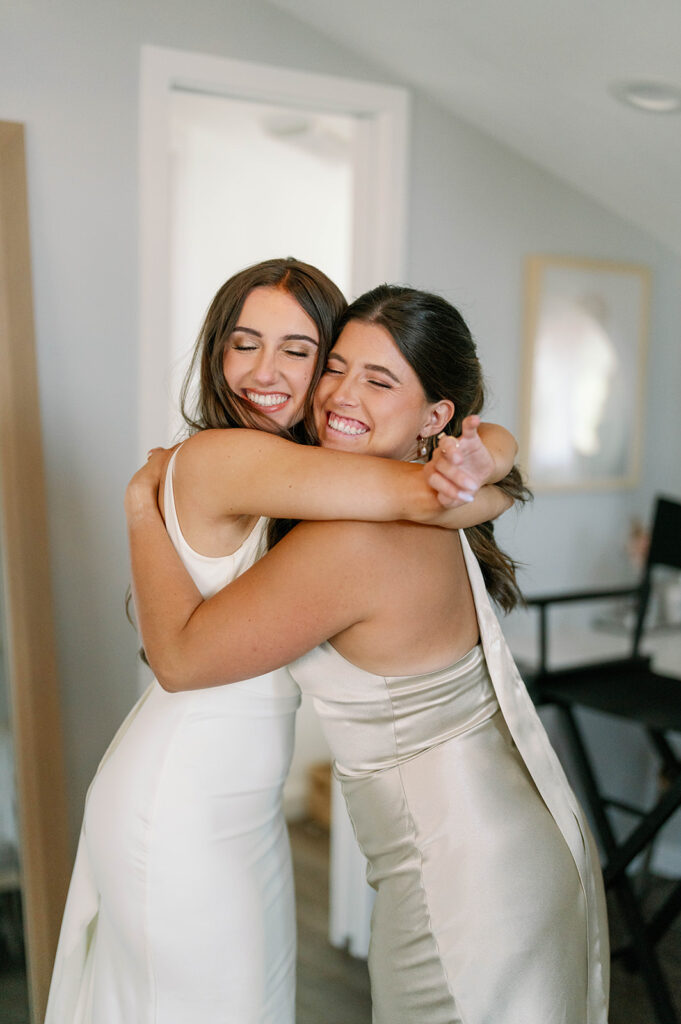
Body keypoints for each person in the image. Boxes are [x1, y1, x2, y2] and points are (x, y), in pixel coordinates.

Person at [46, 260, 516, 1024]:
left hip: (237, 803)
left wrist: (489, 456)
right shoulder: (227, 456)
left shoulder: (307, 472)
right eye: (244, 343)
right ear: (215, 354)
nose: (264, 372)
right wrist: (484, 470)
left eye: (299, 352)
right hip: (181, 801)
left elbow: (446, 488)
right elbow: (432, 495)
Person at [126, 284, 611, 1024]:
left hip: (460, 880)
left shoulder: (355, 535)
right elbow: (494, 470)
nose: (339, 394)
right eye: (336, 366)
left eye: (378, 380)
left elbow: (182, 661)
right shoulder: (435, 492)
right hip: (510, 844)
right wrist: (493, 457)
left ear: (435, 416)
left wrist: (138, 507)